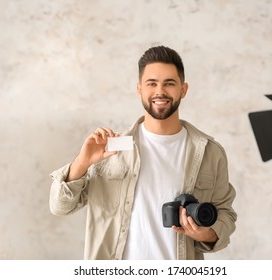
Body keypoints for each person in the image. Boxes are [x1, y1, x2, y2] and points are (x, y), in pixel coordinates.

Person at [49, 45, 237, 260]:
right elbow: (60, 206)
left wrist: (205, 233)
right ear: (139, 89)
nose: (160, 91)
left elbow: (226, 214)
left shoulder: (210, 152)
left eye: (169, 83)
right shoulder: (110, 148)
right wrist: (82, 162)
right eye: (152, 83)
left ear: (183, 90)